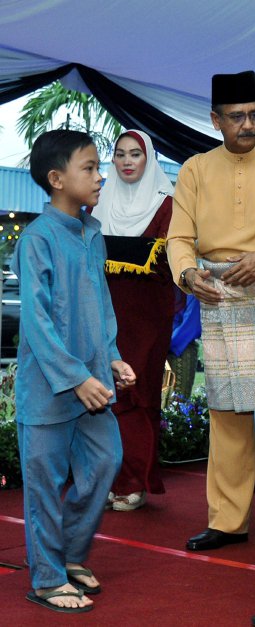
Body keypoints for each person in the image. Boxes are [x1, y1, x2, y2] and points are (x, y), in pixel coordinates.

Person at [167, 70, 255, 551]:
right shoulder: (195, 170)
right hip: (216, 295)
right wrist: (187, 275)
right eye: (237, 117)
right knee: (225, 410)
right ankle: (227, 520)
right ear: (214, 119)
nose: (249, 125)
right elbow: (179, 237)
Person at [15, 129, 136, 613]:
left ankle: (67, 553)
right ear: (56, 178)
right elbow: (37, 321)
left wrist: (111, 357)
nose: (100, 175)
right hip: (49, 390)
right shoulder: (37, 239)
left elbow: (101, 308)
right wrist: (75, 377)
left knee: (106, 462)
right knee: (44, 484)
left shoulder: (92, 233)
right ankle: (46, 577)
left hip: (93, 383)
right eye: (89, 168)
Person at [94, 129, 174, 512]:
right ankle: (111, 478)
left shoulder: (167, 204)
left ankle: (135, 480)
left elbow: (167, 260)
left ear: (149, 159)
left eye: (135, 155)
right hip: (105, 310)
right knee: (106, 391)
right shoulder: (100, 202)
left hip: (147, 314)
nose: (127, 161)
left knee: (137, 392)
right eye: (120, 154)